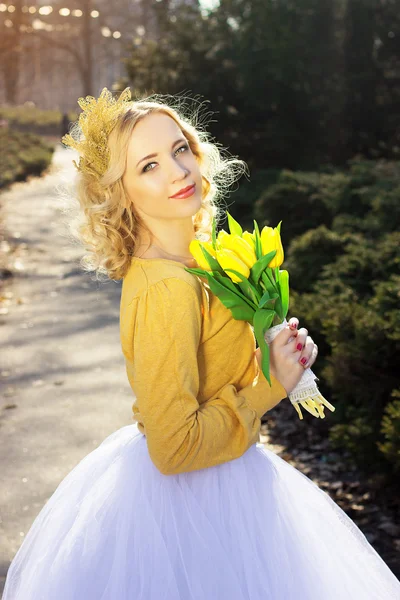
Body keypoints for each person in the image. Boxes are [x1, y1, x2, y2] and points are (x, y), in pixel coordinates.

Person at [3, 87, 400, 599]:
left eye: (179, 149)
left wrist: (270, 354)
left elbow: (215, 377)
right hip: (189, 505)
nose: (177, 171)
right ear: (119, 193)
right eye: (147, 166)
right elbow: (175, 448)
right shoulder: (167, 289)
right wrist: (272, 386)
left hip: (226, 480)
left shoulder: (198, 263)